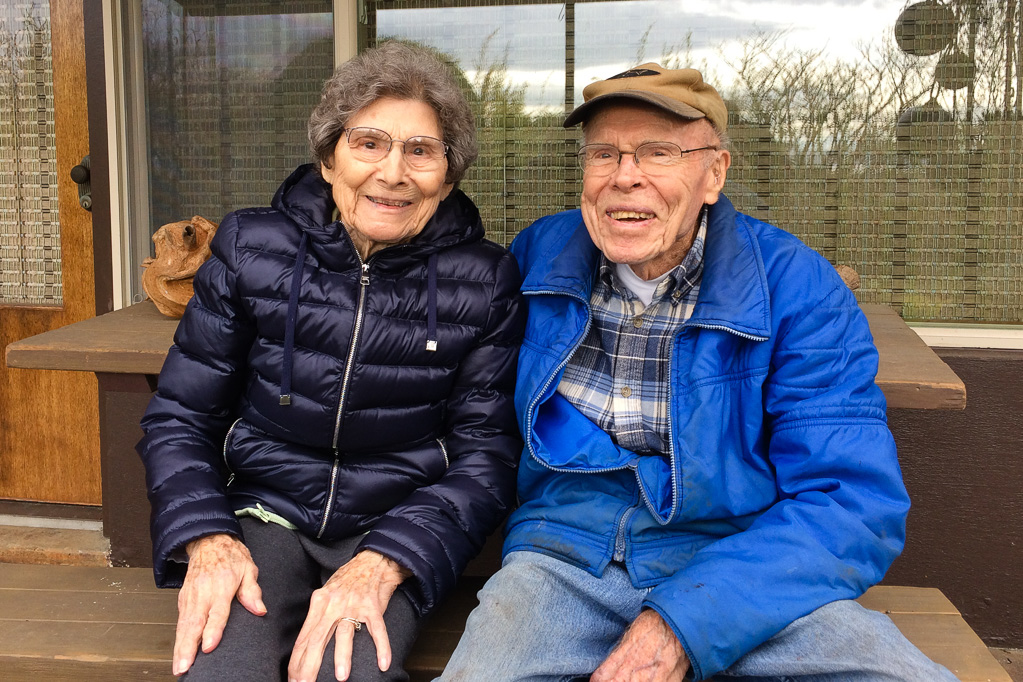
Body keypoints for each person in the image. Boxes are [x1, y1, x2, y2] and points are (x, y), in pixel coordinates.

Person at [439, 64, 958, 681]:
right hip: (561, 557)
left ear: (714, 173)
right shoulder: (536, 260)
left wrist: (687, 622)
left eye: (659, 152)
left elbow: (853, 502)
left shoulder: (798, 288)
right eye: (605, 153)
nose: (625, 176)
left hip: (742, 566)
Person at [136, 41, 524, 682]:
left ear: (448, 176)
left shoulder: (485, 281)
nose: (393, 172)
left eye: (421, 151)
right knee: (220, 668)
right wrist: (208, 538)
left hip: (394, 524)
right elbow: (180, 417)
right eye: (368, 142)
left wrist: (389, 559)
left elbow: (486, 457)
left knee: (351, 673)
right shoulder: (250, 247)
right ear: (327, 157)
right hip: (262, 512)